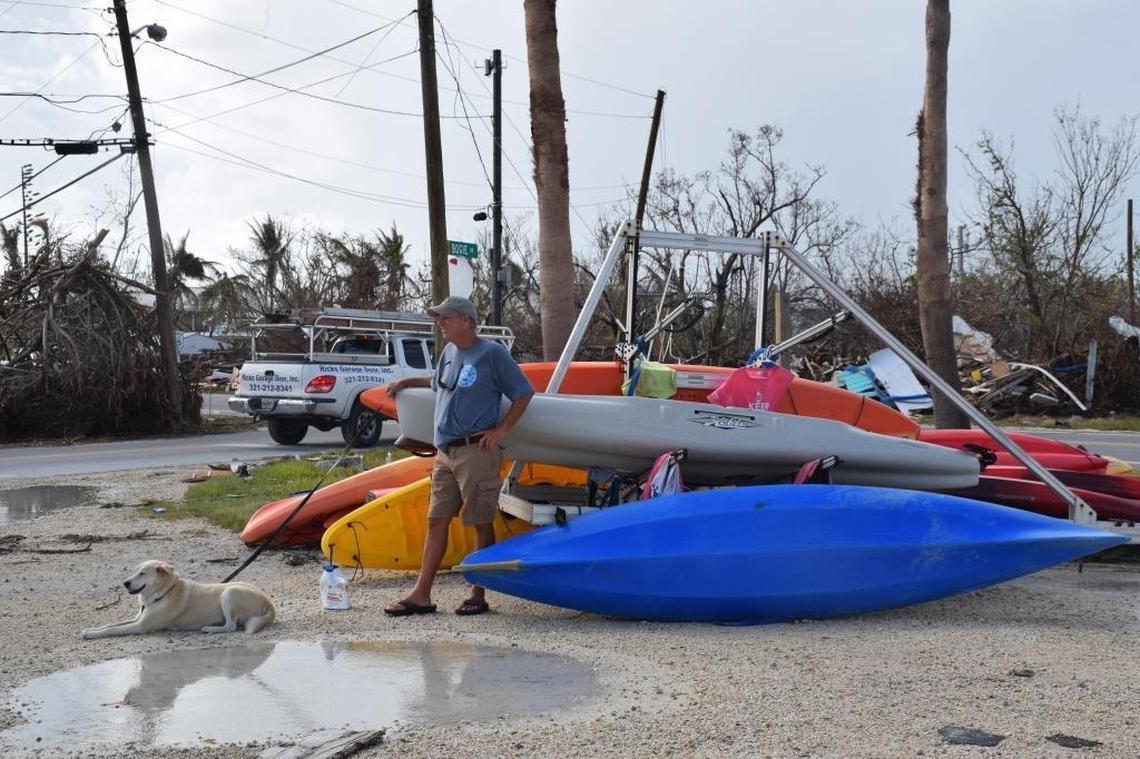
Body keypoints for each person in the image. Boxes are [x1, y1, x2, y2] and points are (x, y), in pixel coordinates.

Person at [383, 296, 534, 617]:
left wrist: (501, 430)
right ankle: (421, 595)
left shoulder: (492, 353)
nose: (441, 323)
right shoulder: (449, 353)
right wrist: (406, 382)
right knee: (436, 521)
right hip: (446, 452)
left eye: (446, 317)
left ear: (466, 320)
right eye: (439, 318)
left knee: (480, 521)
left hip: (476, 451)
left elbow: (523, 392)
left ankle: (479, 593)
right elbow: (438, 383)